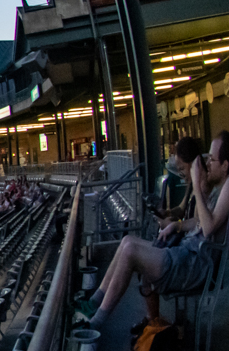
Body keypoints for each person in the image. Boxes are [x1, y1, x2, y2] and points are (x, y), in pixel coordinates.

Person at [84, 131, 229, 332]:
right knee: (127, 241)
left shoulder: (226, 187)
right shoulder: (219, 188)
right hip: (187, 255)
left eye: (212, 159)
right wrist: (175, 225)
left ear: (225, 165)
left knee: (130, 251)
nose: (208, 163)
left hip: (195, 264)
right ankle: (93, 303)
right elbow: (199, 222)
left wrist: (196, 183)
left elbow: (209, 227)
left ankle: (95, 322)